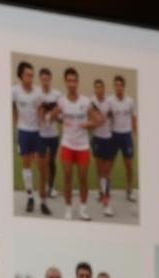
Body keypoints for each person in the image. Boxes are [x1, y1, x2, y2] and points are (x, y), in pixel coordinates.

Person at [49, 67, 101, 221]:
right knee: (67, 178)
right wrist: (59, 119)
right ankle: (68, 209)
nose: (72, 83)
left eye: (74, 80)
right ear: (65, 82)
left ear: (77, 82)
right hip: (67, 145)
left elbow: (96, 121)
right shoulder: (62, 101)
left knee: (83, 178)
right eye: (69, 80)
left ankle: (83, 209)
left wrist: (87, 125)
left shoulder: (86, 101)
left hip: (83, 146)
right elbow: (53, 115)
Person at [11, 61, 51, 216]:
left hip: (37, 133)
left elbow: (41, 111)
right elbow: (12, 106)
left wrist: (43, 126)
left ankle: (44, 201)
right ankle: (30, 198)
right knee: (26, 165)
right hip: (23, 133)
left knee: (42, 167)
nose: (31, 77)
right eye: (28, 75)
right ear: (21, 75)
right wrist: (16, 124)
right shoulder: (14, 91)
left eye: (32, 75)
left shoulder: (38, 92)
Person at [109, 74, 137, 203]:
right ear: (114, 86)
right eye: (116, 85)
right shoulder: (110, 101)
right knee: (109, 165)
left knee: (129, 166)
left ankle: (129, 191)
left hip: (126, 136)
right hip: (114, 136)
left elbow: (133, 117)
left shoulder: (130, 101)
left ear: (123, 87)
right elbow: (106, 116)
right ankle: (106, 190)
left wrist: (134, 133)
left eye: (120, 85)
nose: (118, 87)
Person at [90, 78, 115, 218]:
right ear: (94, 89)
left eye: (101, 87)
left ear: (104, 89)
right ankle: (103, 194)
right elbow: (92, 119)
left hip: (109, 139)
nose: (99, 90)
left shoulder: (109, 102)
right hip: (97, 139)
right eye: (96, 87)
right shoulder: (92, 102)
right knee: (100, 171)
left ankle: (107, 202)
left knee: (106, 172)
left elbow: (113, 116)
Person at [37, 67, 62, 201]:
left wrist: (52, 115)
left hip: (53, 135)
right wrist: (42, 113)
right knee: (42, 163)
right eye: (43, 79)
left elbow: (60, 116)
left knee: (51, 161)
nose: (45, 82)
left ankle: (51, 187)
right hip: (41, 135)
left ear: (50, 79)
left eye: (47, 79)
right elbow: (35, 112)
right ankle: (43, 186)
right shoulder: (37, 94)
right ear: (40, 80)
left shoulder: (57, 94)